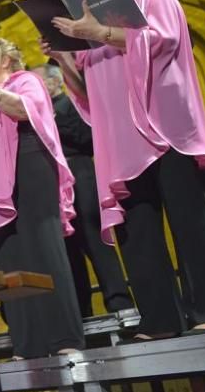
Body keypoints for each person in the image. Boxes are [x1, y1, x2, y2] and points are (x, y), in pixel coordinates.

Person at [43, 0, 205, 340]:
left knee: (190, 220)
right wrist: (64, 55)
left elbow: (162, 39)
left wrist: (98, 34)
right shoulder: (90, 26)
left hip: (164, 128)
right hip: (122, 141)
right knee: (139, 234)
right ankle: (160, 320)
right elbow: (86, 97)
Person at [0, 39, 85, 359]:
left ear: (6, 61)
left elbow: (25, 110)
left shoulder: (26, 81)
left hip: (29, 168)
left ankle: (65, 338)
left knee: (44, 253)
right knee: (9, 265)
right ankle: (29, 344)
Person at [31, 63, 134, 317]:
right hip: (53, 184)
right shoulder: (33, 114)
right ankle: (82, 311)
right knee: (68, 251)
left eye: (38, 82)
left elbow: (88, 139)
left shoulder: (69, 105)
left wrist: (54, 121)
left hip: (80, 175)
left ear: (54, 83)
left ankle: (119, 302)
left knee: (94, 240)